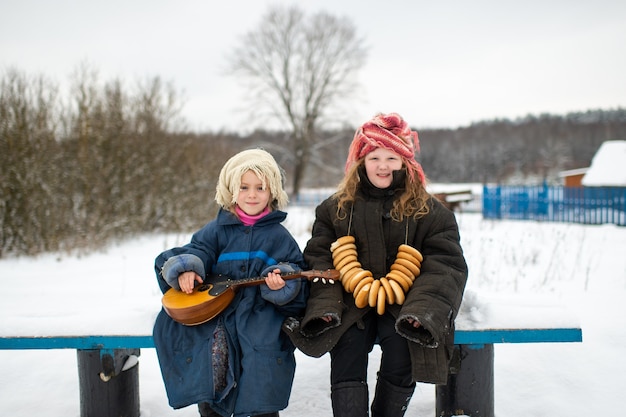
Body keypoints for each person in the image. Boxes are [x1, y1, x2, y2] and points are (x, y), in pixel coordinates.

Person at [282, 113, 468, 417]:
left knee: (402, 349)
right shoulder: (335, 209)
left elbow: (445, 266)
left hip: (406, 305)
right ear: (360, 161)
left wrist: (423, 312)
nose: (383, 166)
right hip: (351, 302)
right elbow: (319, 257)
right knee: (347, 346)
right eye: (375, 157)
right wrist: (326, 305)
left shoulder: (431, 212)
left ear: (406, 161)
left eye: (392, 157)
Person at [152, 148, 309, 417]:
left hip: (259, 315)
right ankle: (211, 406)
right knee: (212, 358)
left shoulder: (280, 238)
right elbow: (198, 250)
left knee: (262, 361)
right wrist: (187, 270)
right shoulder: (216, 230)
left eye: (260, 187)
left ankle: (262, 410)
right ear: (230, 189)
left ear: (272, 192)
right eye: (244, 187)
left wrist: (281, 286)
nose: (252, 194)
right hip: (217, 315)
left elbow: (296, 275)